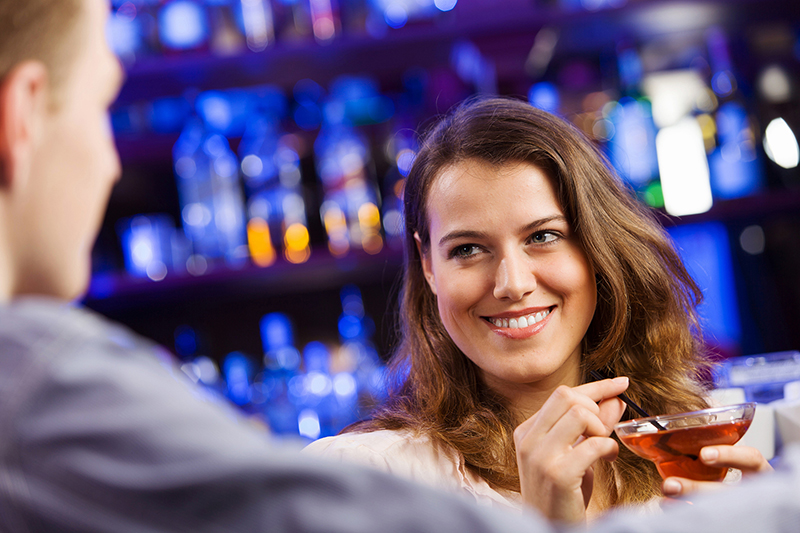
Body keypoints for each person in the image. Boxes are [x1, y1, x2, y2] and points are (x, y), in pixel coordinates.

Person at [0, 1, 563, 531]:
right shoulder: (32, 379)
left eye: (543, 237)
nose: (108, 164)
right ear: (21, 114)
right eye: (101, 109)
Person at [303, 96, 772, 523]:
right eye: (467, 249)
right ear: (428, 264)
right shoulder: (356, 483)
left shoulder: (707, 442)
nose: (513, 284)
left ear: (597, 245)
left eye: (543, 237)